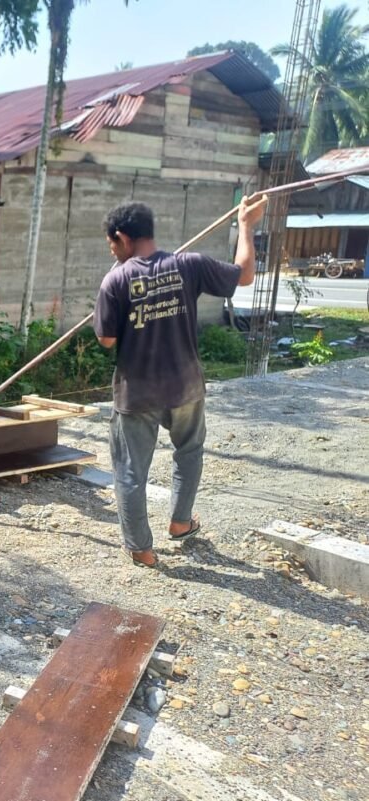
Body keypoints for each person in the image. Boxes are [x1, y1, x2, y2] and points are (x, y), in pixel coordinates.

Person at [93, 195, 268, 567]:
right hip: (186, 385)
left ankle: (141, 549)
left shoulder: (116, 279)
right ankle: (180, 522)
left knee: (129, 470)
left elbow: (106, 340)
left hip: (138, 392)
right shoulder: (190, 264)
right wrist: (246, 226)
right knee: (188, 453)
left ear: (123, 237)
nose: (113, 253)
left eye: (112, 245)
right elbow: (246, 274)